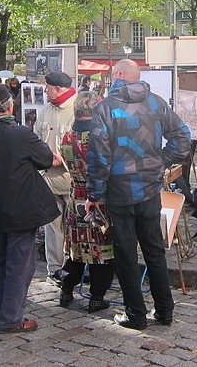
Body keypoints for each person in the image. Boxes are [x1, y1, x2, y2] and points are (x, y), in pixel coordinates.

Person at [86, 59, 190, 330]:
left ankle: (136, 314)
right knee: (154, 251)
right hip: (149, 189)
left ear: (118, 74)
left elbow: (99, 156)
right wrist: (161, 162)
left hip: (120, 192)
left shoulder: (105, 108)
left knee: (126, 255)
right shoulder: (155, 103)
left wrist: (95, 193)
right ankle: (164, 310)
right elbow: (183, 138)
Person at [0, 83, 60, 333]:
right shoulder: (19, 133)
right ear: (8, 106)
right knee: (19, 264)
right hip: (21, 207)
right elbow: (45, 159)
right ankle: (10, 318)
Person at [59, 91, 115, 313]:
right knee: (103, 251)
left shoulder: (66, 138)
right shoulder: (102, 136)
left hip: (76, 198)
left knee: (77, 249)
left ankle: (66, 290)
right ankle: (97, 297)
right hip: (98, 199)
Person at [34, 71, 77, 285]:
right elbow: (36, 140)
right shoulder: (46, 111)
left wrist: (65, 160)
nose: (44, 90)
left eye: (47, 87)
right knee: (53, 226)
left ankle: (75, 266)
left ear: (58, 89)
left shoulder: (78, 108)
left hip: (73, 179)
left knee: (76, 225)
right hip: (49, 178)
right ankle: (55, 268)